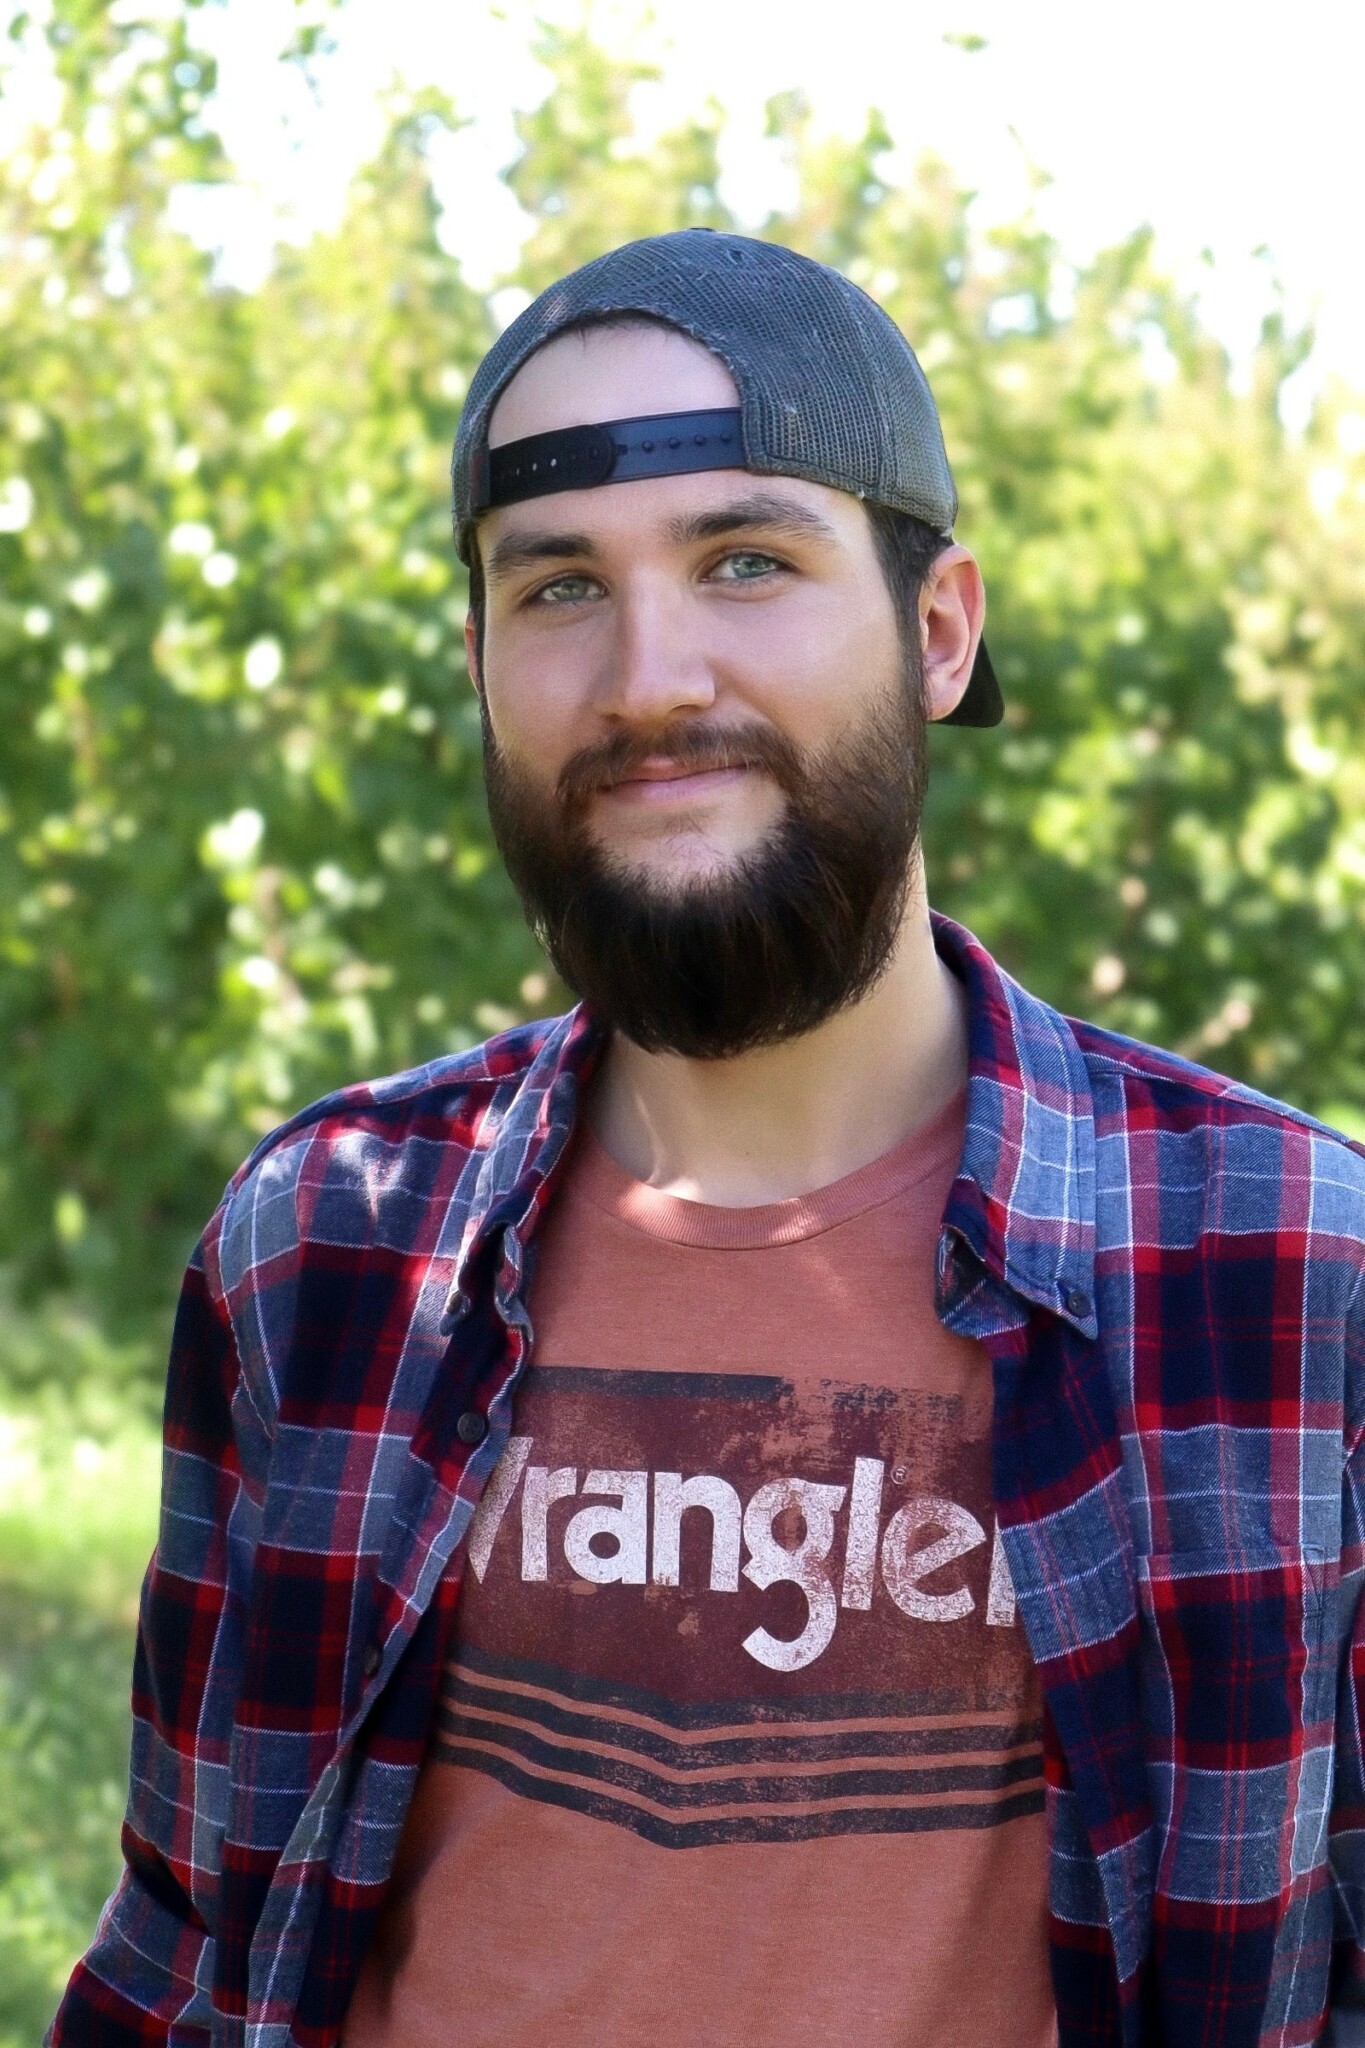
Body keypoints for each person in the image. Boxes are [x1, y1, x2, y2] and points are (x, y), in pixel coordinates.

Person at [49, 229, 1365, 2048]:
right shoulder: (323, 1247)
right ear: (479, 660)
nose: (649, 677)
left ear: (937, 629)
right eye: (558, 586)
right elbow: (190, 1941)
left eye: (745, 560)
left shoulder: (1287, 1269)